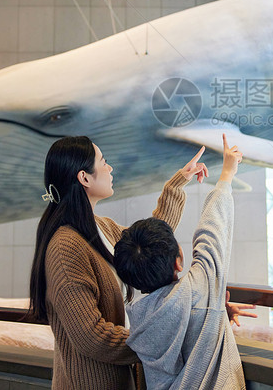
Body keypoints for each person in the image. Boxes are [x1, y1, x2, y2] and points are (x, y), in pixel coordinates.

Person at [26, 135, 208, 390]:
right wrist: (160, 340)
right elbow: (94, 338)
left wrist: (179, 183)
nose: (110, 168)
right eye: (104, 161)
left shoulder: (99, 226)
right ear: (84, 178)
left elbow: (147, 245)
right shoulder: (65, 247)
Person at [114, 134, 250, 390]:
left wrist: (217, 317)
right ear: (180, 261)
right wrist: (227, 174)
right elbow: (212, 233)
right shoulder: (200, 289)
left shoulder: (141, 321)